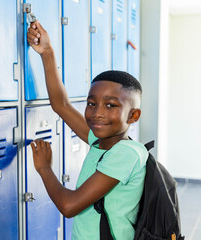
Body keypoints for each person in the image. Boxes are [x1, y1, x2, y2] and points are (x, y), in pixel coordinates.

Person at [27, 20, 148, 239]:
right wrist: (47, 51)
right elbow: (61, 105)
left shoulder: (127, 153)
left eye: (110, 105)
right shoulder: (101, 142)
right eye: (92, 103)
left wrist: (44, 168)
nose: (97, 113)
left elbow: (69, 205)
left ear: (134, 115)